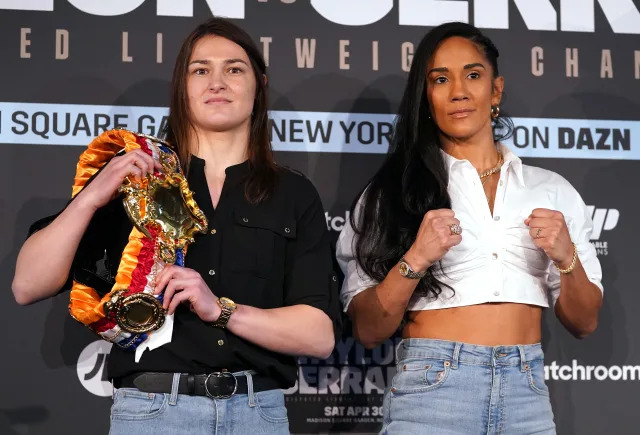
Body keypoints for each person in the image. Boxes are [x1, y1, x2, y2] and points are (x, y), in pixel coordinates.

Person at [12, 17, 340, 435]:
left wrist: (220, 310)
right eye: (200, 69)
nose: (217, 82)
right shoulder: (139, 174)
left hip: (260, 414)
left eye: (234, 69)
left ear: (259, 84)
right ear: (181, 87)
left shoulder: (294, 194)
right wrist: (95, 195)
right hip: (152, 412)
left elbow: (318, 336)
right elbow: (27, 285)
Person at [337, 22, 603, 435]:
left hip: (526, 392)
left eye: (472, 75)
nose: (458, 90)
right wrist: (415, 259)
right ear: (426, 96)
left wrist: (567, 259)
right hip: (432, 390)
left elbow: (585, 323)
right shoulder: (391, 194)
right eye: (440, 79)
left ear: (495, 90)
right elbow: (369, 330)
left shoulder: (551, 189)